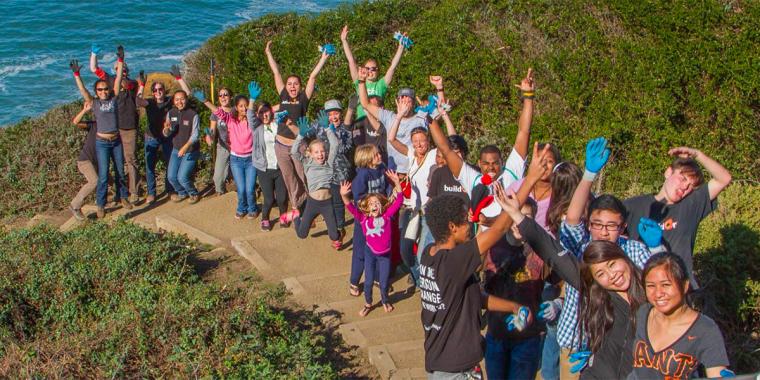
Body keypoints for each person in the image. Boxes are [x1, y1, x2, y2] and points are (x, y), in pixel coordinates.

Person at [555, 137, 660, 379]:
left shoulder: (632, 250)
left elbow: (661, 278)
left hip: (620, 346)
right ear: (588, 223)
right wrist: (589, 174)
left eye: (611, 225)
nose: (603, 231)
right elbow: (571, 220)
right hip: (576, 343)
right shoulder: (579, 249)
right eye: (597, 224)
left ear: (622, 227)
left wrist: (656, 250)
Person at [419, 187, 531, 378]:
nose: (470, 224)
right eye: (465, 221)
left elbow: (474, 297)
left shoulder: (430, 254)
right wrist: (531, 179)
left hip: (444, 365)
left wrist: (513, 307)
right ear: (452, 227)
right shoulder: (453, 262)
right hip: (456, 372)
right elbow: (500, 228)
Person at [623, 147, 731, 288]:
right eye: (683, 178)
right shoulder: (634, 205)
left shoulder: (690, 205)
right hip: (643, 287)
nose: (685, 186)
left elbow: (724, 178)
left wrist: (698, 154)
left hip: (681, 286)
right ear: (668, 172)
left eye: (691, 186)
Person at [630, 252, 732, 379]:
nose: (658, 293)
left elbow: (717, 373)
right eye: (651, 286)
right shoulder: (643, 313)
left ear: (685, 286)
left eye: (666, 285)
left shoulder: (705, 329)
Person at [265, 40, 331, 220]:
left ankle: (314, 203)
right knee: (289, 178)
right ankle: (296, 206)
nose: (292, 87)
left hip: (298, 145)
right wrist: (268, 52)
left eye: (295, 84)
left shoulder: (303, 99)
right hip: (280, 146)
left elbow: (312, 77)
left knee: (304, 174)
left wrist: (323, 57)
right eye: (289, 84)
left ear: (300, 87)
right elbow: (276, 72)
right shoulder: (283, 95)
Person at [483, 197, 547, 380]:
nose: (518, 223)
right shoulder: (493, 246)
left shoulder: (542, 247)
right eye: (513, 216)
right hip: (497, 333)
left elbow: (556, 283)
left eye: (525, 217)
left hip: (528, 337)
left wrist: (554, 304)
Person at [70, 54, 130, 219]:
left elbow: (117, 80)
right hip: (102, 142)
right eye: (100, 90)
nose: (103, 91)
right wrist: (77, 75)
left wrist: (120, 60)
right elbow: (83, 91)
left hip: (116, 140)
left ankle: (124, 197)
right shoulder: (95, 103)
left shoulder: (114, 98)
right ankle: (101, 205)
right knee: (103, 175)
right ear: (96, 92)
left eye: (105, 89)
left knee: (119, 171)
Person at [340, 170, 403, 317]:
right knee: (368, 282)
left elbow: (399, 200)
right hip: (370, 253)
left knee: (383, 281)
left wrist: (398, 183)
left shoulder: (387, 216)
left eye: (376, 202)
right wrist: (344, 195)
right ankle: (368, 303)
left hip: (385, 255)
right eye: (371, 203)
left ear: (381, 205)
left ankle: (385, 300)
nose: (374, 205)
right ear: (366, 207)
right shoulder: (363, 218)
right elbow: (349, 206)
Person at [196, 82, 262, 218]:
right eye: (241, 106)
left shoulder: (252, 121)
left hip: (250, 160)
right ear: (236, 108)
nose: (244, 108)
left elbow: (251, 114)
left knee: (250, 189)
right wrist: (205, 101)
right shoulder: (230, 120)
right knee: (241, 189)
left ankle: (252, 208)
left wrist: (252, 99)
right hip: (236, 159)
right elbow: (217, 112)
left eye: (246, 106)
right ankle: (241, 207)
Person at [357, 67, 436, 173]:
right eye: (402, 100)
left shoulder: (421, 118)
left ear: (413, 104)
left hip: (415, 171)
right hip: (393, 172)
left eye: (408, 101)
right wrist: (361, 81)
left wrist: (440, 89)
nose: (405, 104)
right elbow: (365, 104)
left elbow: (442, 111)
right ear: (397, 102)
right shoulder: (389, 116)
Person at [172, 65, 233, 196]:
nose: (223, 97)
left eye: (226, 95)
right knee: (217, 179)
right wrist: (209, 137)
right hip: (223, 147)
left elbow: (187, 96)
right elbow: (212, 132)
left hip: (239, 147)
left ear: (231, 97)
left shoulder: (236, 111)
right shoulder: (215, 113)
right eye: (220, 95)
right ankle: (221, 194)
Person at [90, 43, 139, 203]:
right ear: (115, 70)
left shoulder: (132, 84)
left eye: (125, 69)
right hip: (113, 131)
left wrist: (121, 61)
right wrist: (93, 54)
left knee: (129, 162)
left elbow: (126, 84)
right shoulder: (108, 81)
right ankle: (115, 194)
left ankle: (133, 192)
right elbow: (94, 69)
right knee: (113, 167)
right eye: (119, 69)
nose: (122, 71)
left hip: (129, 127)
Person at [290, 115, 343, 249]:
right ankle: (296, 216)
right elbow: (294, 152)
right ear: (311, 154)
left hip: (327, 203)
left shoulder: (329, 163)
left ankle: (339, 234)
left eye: (322, 151)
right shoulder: (307, 163)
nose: (320, 154)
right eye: (316, 152)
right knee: (302, 234)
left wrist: (327, 128)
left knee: (334, 236)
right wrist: (300, 136)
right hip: (312, 203)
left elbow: (335, 144)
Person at [349, 144, 394, 297]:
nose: (379, 156)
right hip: (365, 219)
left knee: (379, 248)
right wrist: (368, 210)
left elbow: (387, 186)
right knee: (361, 250)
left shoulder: (382, 168)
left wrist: (388, 199)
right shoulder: (363, 175)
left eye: (379, 153)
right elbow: (357, 197)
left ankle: (377, 278)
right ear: (367, 159)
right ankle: (354, 281)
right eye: (375, 155)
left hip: (380, 218)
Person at [340, 24, 406, 124]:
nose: (370, 71)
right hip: (362, 121)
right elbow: (351, 61)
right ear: (363, 70)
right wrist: (344, 41)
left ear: (378, 70)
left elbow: (393, 67)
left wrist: (401, 47)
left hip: (378, 120)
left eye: (373, 69)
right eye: (367, 68)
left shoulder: (381, 84)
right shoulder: (359, 82)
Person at [314, 100, 354, 238]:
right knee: (325, 200)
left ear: (341, 114)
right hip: (323, 173)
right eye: (329, 114)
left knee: (337, 202)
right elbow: (303, 132)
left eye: (336, 113)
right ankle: (330, 223)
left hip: (340, 174)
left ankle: (339, 229)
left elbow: (344, 148)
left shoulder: (346, 130)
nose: (333, 117)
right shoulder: (319, 126)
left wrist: (331, 133)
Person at [136, 70, 174, 204]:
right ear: (152, 92)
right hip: (151, 137)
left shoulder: (170, 101)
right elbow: (137, 101)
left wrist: (179, 78)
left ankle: (170, 190)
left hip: (167, 137)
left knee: (170, 163)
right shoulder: (150, 103)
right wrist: (141, 85)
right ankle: (151, 193)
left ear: (164, 90)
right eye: (156, 90)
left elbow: (186, 94)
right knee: (150, 166)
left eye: (160, 89)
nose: (158, 92)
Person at [251, 102, 289, 231]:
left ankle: (283, 217)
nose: (264, 115)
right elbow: (250, 116)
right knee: (268, 199)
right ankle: (265, 218)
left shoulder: (277, 125)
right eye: (261, 112)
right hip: (265, 169)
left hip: (280, 168)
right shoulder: (257, 128)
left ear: (271, 112)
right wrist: (252, 100)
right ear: (257, 115)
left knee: (282, 197)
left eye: (266, 111)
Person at [163, 89, 201, 203]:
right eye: (177, 99)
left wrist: (185, 147)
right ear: (174, 101)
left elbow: (196, 135)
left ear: (186, 99)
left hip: (190, 150)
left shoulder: (193, 114)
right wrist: (166, 129)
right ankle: (182, 193)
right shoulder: (171, 113)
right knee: (171, 177)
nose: (180, 102)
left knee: (182, 177)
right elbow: (166, 133)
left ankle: (193, 193)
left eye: (182, 99)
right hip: (176, 150)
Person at [68, 100, 98, 221]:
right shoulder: (93, 124)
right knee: (94, 181)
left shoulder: (111, 126)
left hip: (96, 161)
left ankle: (102, 201)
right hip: (85, 161)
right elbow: (76, 122)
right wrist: (85, 110)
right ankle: (74, 205)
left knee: (108, 178)